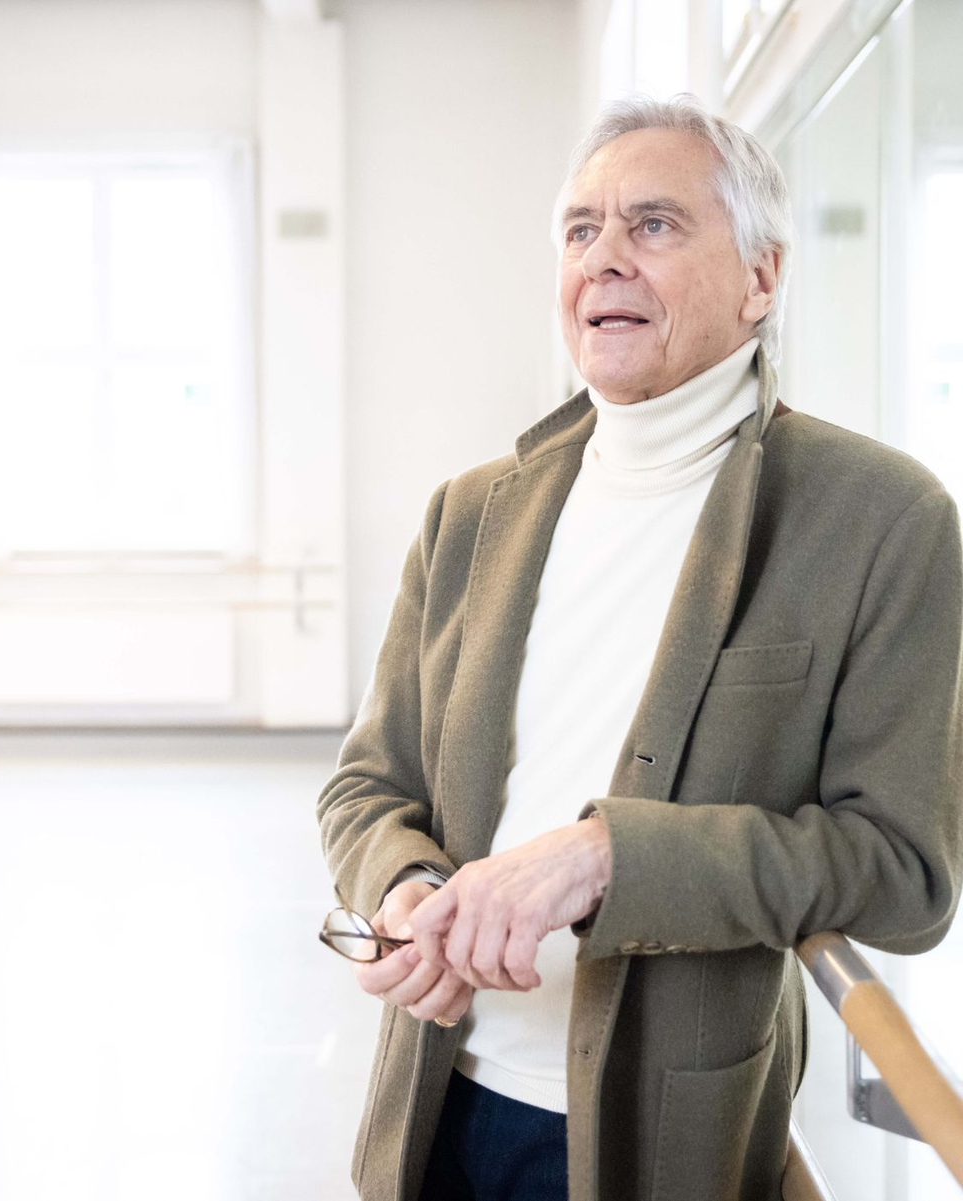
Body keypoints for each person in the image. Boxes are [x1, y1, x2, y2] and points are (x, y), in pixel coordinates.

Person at [316, 92, 963, 1201]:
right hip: (438, 1107)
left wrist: (607, 858)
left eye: (654, 225)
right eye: (581, 230)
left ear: (763, 279)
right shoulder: (470, 514)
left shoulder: (881, 519)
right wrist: (409, 880)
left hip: (671, 1140)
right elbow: (369, 784)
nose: (604, 259)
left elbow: (903, 873)